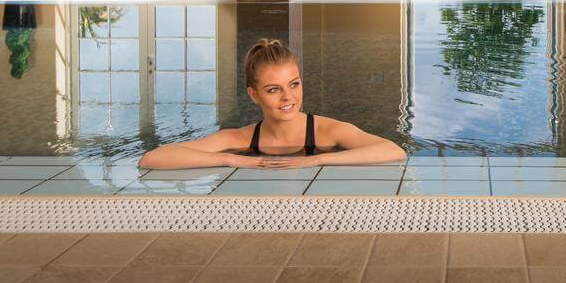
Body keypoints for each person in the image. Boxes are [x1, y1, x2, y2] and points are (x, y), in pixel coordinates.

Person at [139, 39, 406, 169]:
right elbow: (153, 157)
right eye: (273, 90)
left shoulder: (328, 131)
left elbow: (393, 150)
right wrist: (231, 160)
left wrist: (316, 160)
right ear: (254, 95)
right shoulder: (239, 139)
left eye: (294, 84)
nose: (288, 97)